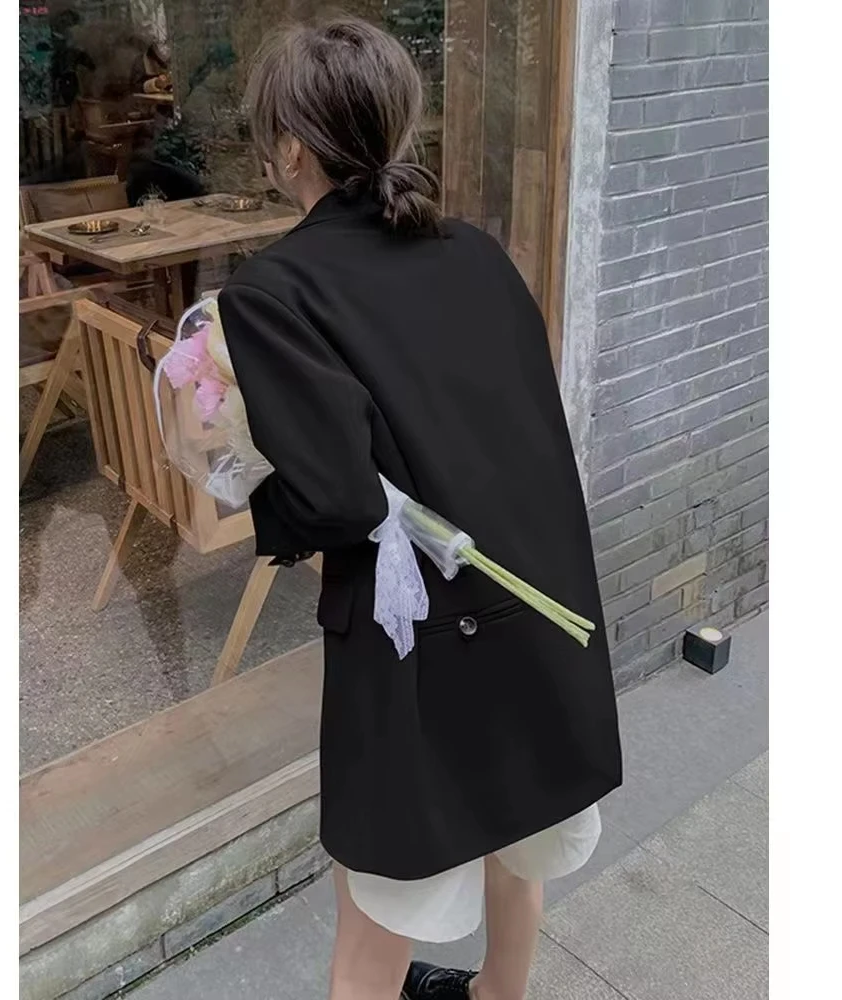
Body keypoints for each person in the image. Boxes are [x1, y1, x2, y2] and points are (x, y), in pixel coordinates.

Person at [218, 18, 622, 1000]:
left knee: (379, 917)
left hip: (422, 649)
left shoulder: (275, 291)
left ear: (291, 149)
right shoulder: (475, 251)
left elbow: (333, 502)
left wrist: (231, 462)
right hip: (537, 594)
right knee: (518, 837)